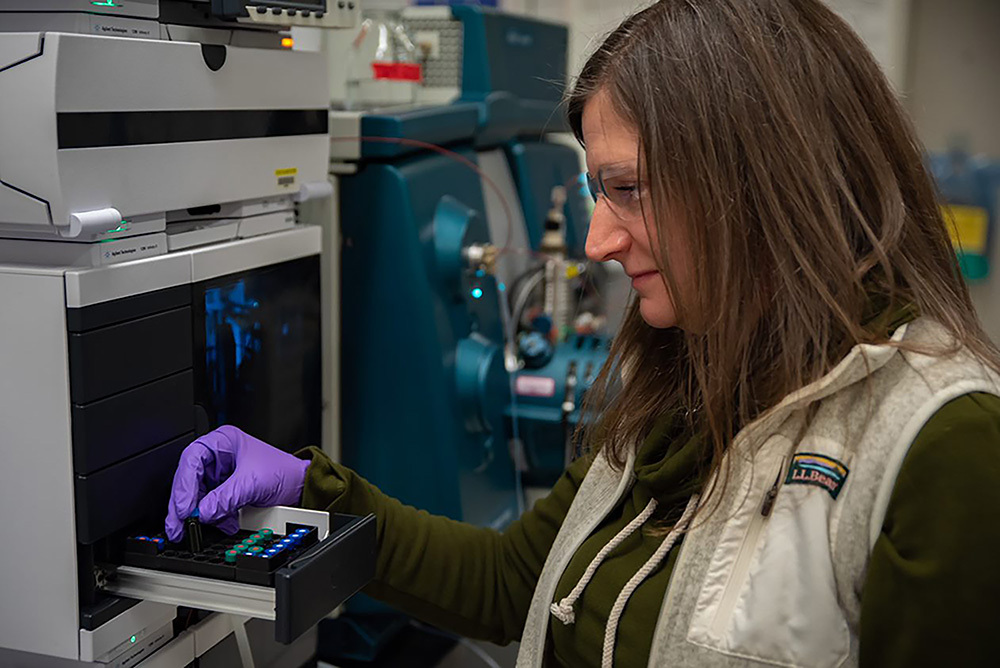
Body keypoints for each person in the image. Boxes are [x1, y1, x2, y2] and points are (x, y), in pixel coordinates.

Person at [166, 1, 1000, 666]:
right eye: (597, 193)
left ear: (763, 180)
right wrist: (311, 497)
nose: (600, 240)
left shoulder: (947, 448)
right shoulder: (697, 370)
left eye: (628, 188)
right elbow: (515, 580)